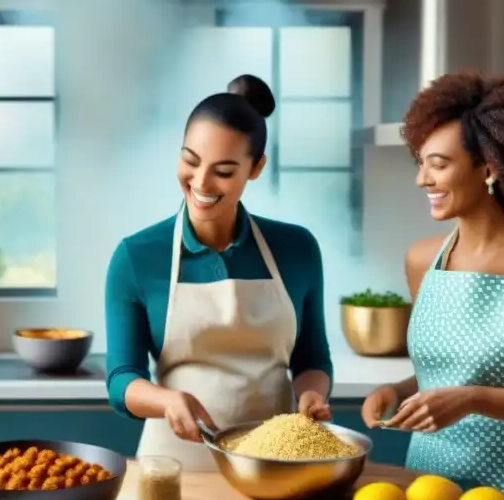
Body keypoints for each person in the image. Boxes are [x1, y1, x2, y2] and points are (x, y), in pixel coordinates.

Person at [360, 72, 504, 493]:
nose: (422, 180)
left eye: (439, 165)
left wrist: (472, 399)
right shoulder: (422, 259)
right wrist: (395, 391)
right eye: (421, 163)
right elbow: (443, 374)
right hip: (428, 479)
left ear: (489, 168)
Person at [104, 74, 334, 471]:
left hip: (273, 466)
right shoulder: (137, 256)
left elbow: (312, 357)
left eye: (224, 172)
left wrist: (311, 394)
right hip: (174, 468)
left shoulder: (297, 249)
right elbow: (121, 379)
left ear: (256, 168)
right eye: (190, 161)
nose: (201, 183)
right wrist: (167, 400)